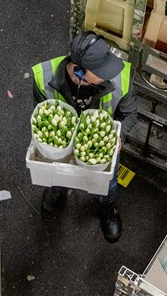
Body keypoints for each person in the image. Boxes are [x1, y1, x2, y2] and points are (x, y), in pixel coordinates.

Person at [31, 31, 137, 243]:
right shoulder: (44, 76)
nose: (108, 75)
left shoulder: (120, 77)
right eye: (100, 72)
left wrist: (119, 136)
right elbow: (40, 110)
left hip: (99, 147)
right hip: (61, 143)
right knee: (57, 170)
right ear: (79, 71)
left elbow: (130, 113)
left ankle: (107, 208)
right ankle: (55, 190)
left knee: (107, 181)